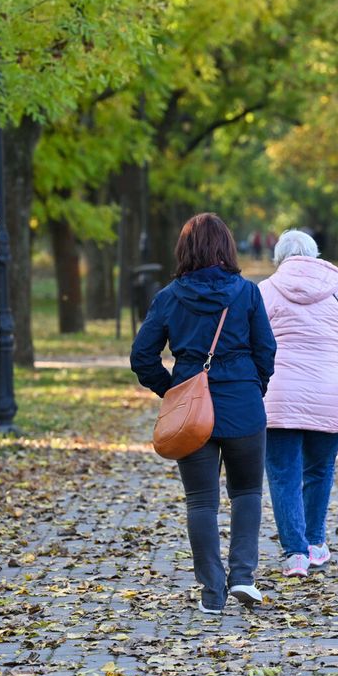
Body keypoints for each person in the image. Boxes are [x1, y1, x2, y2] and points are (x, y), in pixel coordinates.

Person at [131, 213, 277, 614]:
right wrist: (254, 386)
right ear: (226, 248)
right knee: (247, 493)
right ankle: (243, 577)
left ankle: (212, 592)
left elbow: (142, 357)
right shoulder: (246, 294)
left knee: (200, 501)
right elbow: (266, 351)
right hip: (243, 404)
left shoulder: (168, 297)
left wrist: (173, 391)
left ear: (185, 250)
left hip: (191, 413)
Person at [259, 230, 338, 577]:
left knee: (283, 475)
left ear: (279, 258)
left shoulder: (264, 291)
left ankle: (295, 554)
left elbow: (246, 340)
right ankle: (314, 543)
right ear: (315, 255)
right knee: (319, 470)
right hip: (330, 395)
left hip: (279, 395)